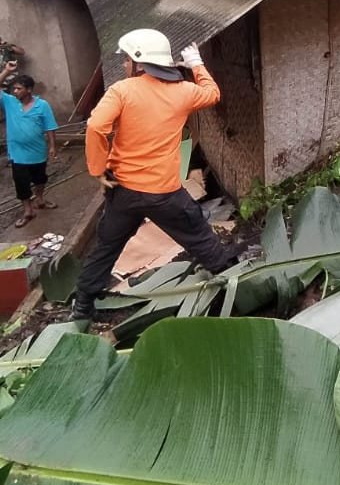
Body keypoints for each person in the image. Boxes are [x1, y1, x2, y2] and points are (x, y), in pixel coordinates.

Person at [72, 29, 235, 322]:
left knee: (107, 247)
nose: (123, 66)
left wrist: (97, 170)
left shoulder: (122, 91)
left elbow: (96, 126)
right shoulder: (183, 92)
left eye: (126, 60)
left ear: (139, 63)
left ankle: (83, 306)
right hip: (164, 193)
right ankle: (232, 286)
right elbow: (213, 93)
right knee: (199, 237)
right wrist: (196, 63)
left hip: (124, 192)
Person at [0, 64, 59, 228]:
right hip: (17, 153)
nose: (15, 92)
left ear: (29, 90)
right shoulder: (9, 102)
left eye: (18, 89)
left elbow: (50, 127)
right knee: (21, 182)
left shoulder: (42, 105)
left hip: (38, 151)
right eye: (14, 89)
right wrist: (6, 71)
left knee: (40, 178)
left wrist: (52, 146)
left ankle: (40, 199)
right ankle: (28, 210)